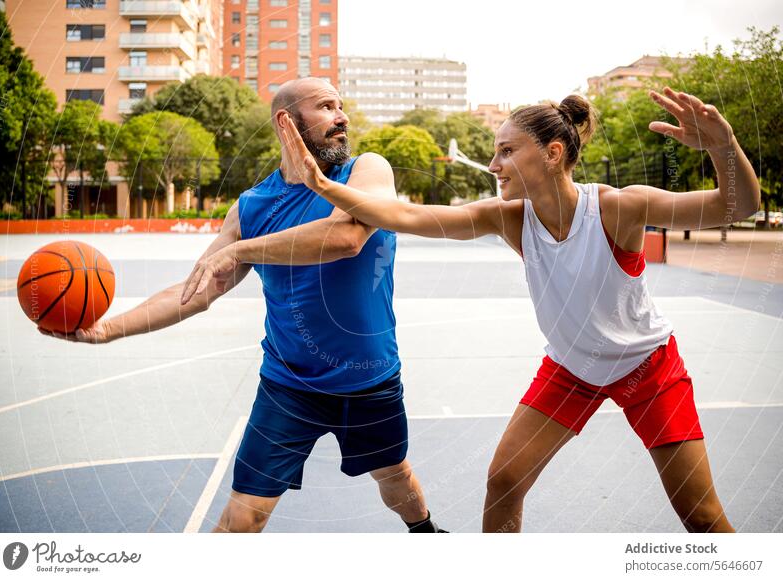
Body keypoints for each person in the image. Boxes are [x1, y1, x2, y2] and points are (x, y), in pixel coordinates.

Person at [276, 86, 760, 533]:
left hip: (648, 369)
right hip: (571, 369)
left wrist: (723, 144)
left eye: (506, 151)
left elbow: (734, 207)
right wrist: (320, 182)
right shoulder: (509, 218)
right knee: (503, 483)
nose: (493, 164)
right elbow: (406, 216)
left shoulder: (617, 207)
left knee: (698, 512)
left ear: (552, 154)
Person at [40, 77, 446, 534]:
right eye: (326, 106)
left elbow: (345, 237)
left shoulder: (367, 171)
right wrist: (108, 330)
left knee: (395, 475)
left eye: (341, 106)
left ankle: (425, 532)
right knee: (242, 518)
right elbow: (197, 288)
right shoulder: (252, 207)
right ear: (287, 122)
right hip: (289, 386)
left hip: (370, 377)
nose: (342, 116)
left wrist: (240, 251)